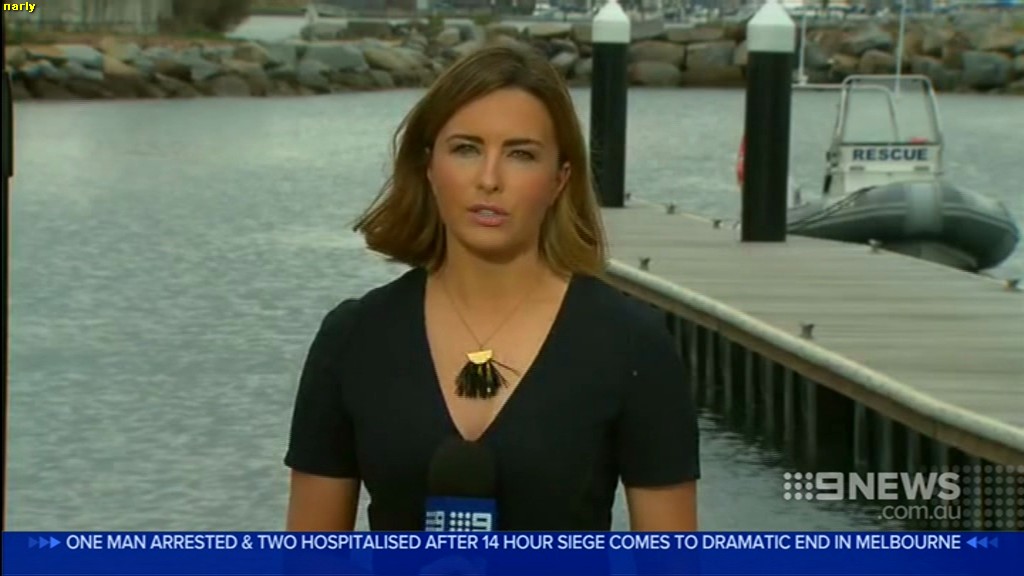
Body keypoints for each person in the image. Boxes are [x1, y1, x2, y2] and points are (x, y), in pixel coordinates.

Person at [284, 42, 700, 532]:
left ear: (559, 179)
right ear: (429, 166)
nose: (489, 178)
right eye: (466, 149)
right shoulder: (354, 337)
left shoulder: (631, 344)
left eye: (521, 154)